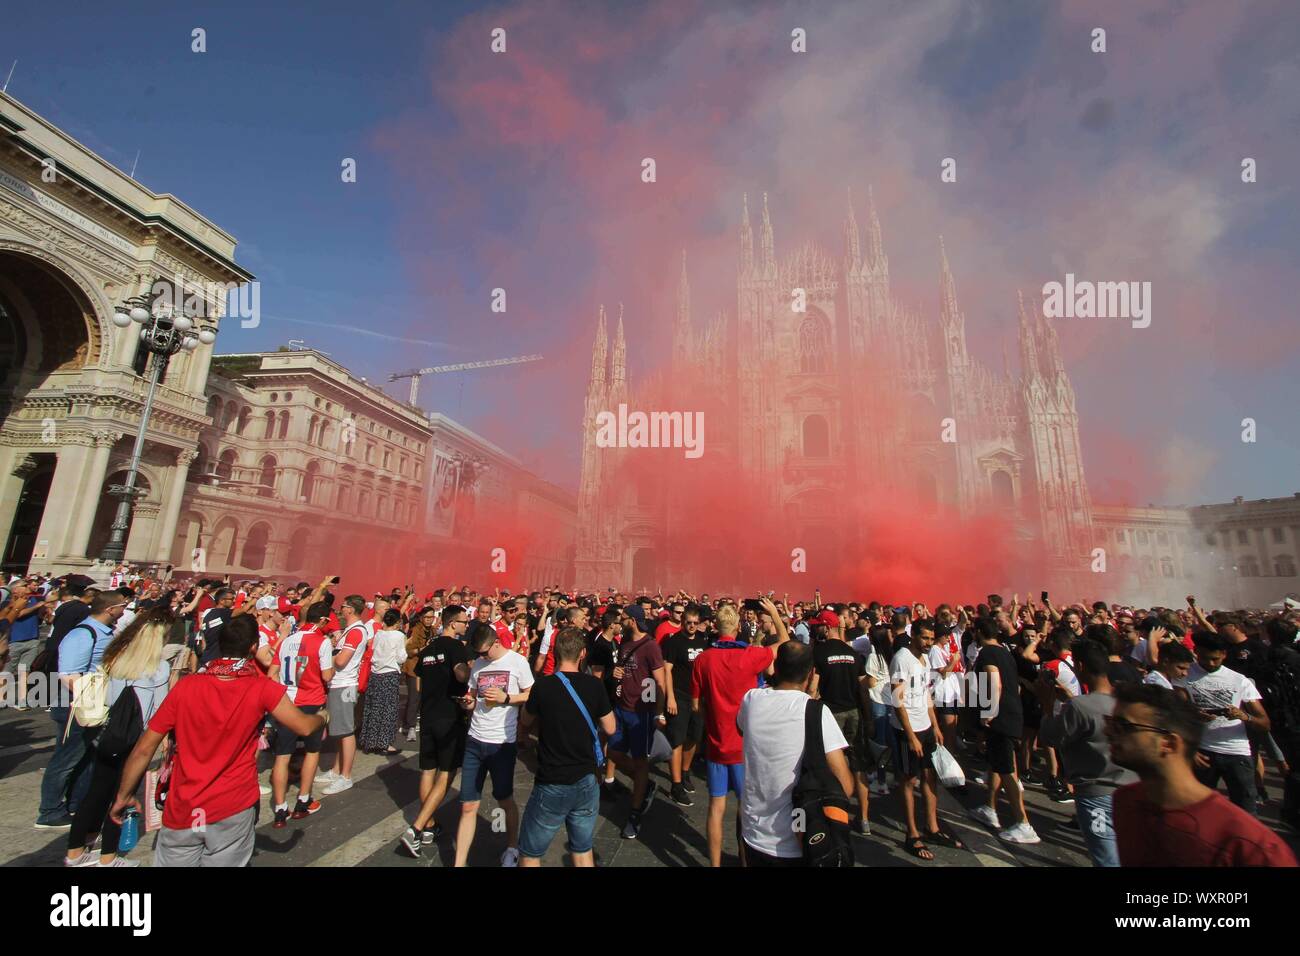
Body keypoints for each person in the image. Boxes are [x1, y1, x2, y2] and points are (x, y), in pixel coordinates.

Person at [109, 615, 326, 867]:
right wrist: (322, 716)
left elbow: (144, 749)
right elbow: (304, 725)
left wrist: (123, 795)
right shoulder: (261, 688)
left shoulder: (185, 686)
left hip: (184, 805)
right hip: (231, 805)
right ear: (254, 647)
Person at [1107, 682, 1297, 866]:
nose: (1107, 731)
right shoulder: (1124, 801)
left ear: (1168, 743)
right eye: (1110, 722)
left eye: (1123, 726)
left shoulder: (1252, 846)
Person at [64, 607, 174, 867]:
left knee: (95, 793)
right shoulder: (159, 668)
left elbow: (111, 700)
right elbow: (157, 713)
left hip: (108, 733)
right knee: (121, 796)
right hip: (136, 740)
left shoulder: (118, 657)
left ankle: (75, 853)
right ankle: (108, 858)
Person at [737, 641, 854, 866]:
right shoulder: (815, 711)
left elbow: (741, 727)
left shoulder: (751, 700)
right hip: (799, 838)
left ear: (775, 667)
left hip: (754, 833)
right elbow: (845, 785)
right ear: (811, 673)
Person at [691, 598, 787, 867]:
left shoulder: (703, 660)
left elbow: (697, 705)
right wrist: (774, 614)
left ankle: (714, 864)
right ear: (736, 628)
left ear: (717, 627)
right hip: (745, 747)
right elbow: (785, 642)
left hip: (716, 745)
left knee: (715, 808)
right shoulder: (751, 655)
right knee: (748, 809)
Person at [516, 627, 616, 866]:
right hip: (586, 779)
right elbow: (611, 728)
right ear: (582, 653)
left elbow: (525, 722)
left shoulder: (543, 686)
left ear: (556, 652)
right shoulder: (594, 686)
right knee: (582, 851)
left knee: (530, 854)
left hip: (552, 779)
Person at [1036, 639, 1136, 866]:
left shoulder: (1081, 707)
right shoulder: (1128, 701)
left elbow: (1051, 737)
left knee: (1106, 858)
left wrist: (1046, 704)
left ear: (1080, 666)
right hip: (1132, 790)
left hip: (1096, 795)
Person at [36, 591, 127, 830]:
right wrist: (90, 700)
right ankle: (49, 810)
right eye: (122, 606)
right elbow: (69, 674)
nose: (124, 611)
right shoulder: (83, 633)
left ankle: (76, 802)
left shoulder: (102, 632)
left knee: (85, 758)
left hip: (91, 705)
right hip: (76, 707)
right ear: (110, 609)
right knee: (66, 759)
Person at [455, 621, 534, 867]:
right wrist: (468, 702)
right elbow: (474, 694)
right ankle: (459, 863)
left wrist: (507, 697)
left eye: (484, 652)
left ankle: (512, 846)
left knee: (504, 798)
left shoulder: (517, 662)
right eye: (478, 653)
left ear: (496, 642)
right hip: (475, 739)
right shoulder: (478, 664)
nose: (481, 657)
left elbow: (532, 694)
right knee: (468, 805)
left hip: (502, 742)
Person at [399, 604, 471, 856]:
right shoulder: (455, 647)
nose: (466, 625)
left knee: (428, 770)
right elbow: (461, 676)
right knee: (447, 774)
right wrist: (471, 668)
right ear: (453, 623)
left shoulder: (429, 648)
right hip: (449, 717)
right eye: (464, 621)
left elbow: (418, 674)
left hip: (428, 716)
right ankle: (416, 828)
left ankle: (429, 824)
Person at [891, 619, 962, 860]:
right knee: (908, 781)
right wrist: (911, 735)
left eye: (931, 639)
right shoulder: (902, 658)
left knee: (930, 778)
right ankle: (912, 834)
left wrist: (934, 724)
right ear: (913, 636)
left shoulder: (925, 657)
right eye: (924, 638)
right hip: (907, 730)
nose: (929, 643)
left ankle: (932, 828)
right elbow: (897, 699)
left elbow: (925, 693)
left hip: (926, 727)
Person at [1183, 629, 1270, 814]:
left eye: (1216, 658)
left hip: (1237, 752)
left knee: (1246, 812)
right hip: (1202, 751)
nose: (1210, 663)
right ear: (1196, 651)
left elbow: (1264, 723)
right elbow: (1173, 710)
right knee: (1198, 809)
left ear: (1224, 654)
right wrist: (1193, 714)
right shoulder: (1183, 674)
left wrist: (1244, 716)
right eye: (1205, 658)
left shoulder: (1239, 680)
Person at [968, 618, 1040, 843]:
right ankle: (990, 808)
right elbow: (1015, 685)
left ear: (978, 632)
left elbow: (995, 682)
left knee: (1008, 770)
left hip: (1000, 718)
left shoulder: (988, 653)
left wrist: (990, 711)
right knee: (997, 765)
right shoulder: (1005, 651)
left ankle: (1023, 823)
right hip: (1010, 713)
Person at [268, 601, 335, 827]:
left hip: (286, 702)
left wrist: (283, 692)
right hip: (312, 702)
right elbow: (326, 676)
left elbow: (272, 673)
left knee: (282, 756)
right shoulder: (323, 642)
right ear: (323, 620)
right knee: (312, 751)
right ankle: (303, 800)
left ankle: (279, 808)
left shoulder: (287, 640)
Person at [809, 608, 872, 834]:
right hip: (854, 711)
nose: (816, 628)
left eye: (819, 625)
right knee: (858, 763)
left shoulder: (819, 652)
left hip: (830, 713)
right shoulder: (853, 653)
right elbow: (864, 688)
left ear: (827, 627)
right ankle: (864, 818)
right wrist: (868, 717)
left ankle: (836, 812)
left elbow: (813, 687)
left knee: (832, 763)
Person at [607, 606, 668, 839]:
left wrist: (659, 713)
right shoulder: (624, 642)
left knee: (641, 761)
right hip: (621, 708)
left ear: (632, 620)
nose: (619, 621)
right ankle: (645, 785)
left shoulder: (651, 646)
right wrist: (617, 674)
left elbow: (660, 682)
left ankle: (634, 814)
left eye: (623, 618)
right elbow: (623, 671)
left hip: (641, 712)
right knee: (613, 752)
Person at [319, 595, 370, 795]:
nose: (340, 610)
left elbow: (341, 661)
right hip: (340, 683)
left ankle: (345, 776)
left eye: (343, 606)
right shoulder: (350, 631)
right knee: (340, 730)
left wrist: (327, 652)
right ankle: (335, 770)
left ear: (350, 609)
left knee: (346, 731)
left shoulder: (356, 632)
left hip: (345, 684)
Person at [661, 606, 711, 807]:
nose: (691, 626)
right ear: (683, 622)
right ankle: (676, 784)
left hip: (697, 697)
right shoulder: (673, 642)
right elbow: (667, 671)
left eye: (694, 622)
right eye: (688, 622)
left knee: (694, 737)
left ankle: (685, 772)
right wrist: (670, 698)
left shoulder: (703, 640)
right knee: (677, 739)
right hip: (680, 696)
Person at [360, 608, 407, 755]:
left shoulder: (378, 633)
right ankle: (384, 743)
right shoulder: (398, 636)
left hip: (375, 675)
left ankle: (369, 740)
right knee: (388, 709)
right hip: (389, 674)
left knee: (373, 708)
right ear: (397, 621)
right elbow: (401, 657)